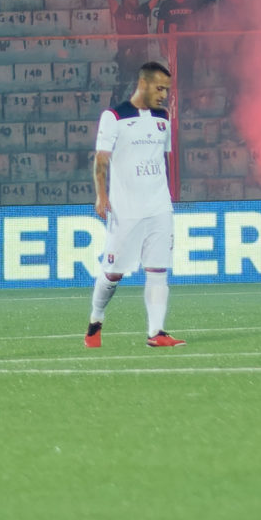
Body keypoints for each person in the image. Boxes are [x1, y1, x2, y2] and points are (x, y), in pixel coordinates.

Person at [86, 60, 183, 349]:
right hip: (125, 209)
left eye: (167, 89)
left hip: (158, 207)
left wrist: (167, 195)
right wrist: (101, 195)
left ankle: (156, 333)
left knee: (158, 269)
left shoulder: (163, 118)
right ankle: (96, 320)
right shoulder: (113, 116)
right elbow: (101, 160)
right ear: (143, 84)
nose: (164, 94)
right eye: (160, 88)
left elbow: (162, 159)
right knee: (113, 274)